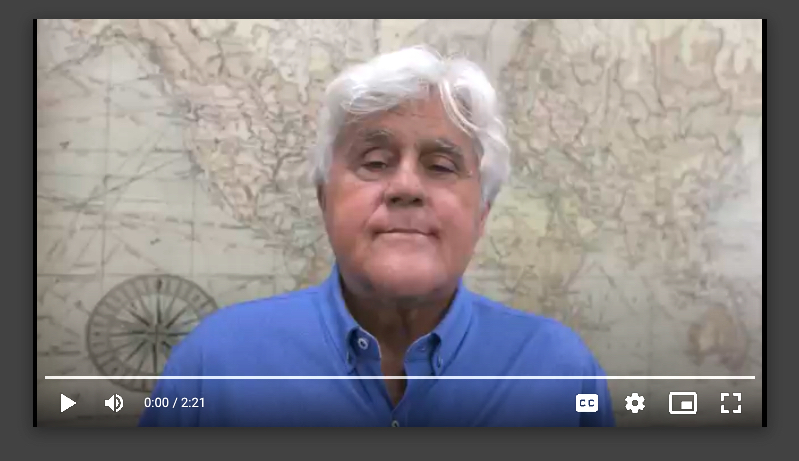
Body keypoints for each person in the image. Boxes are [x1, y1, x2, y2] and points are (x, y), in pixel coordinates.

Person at [139, 45, 615, 427]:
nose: (406, 186)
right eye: (375, 162)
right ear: (324, 199)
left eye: (441, 166)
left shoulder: (562, 372)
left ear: (482, 213)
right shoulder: (215, 363)